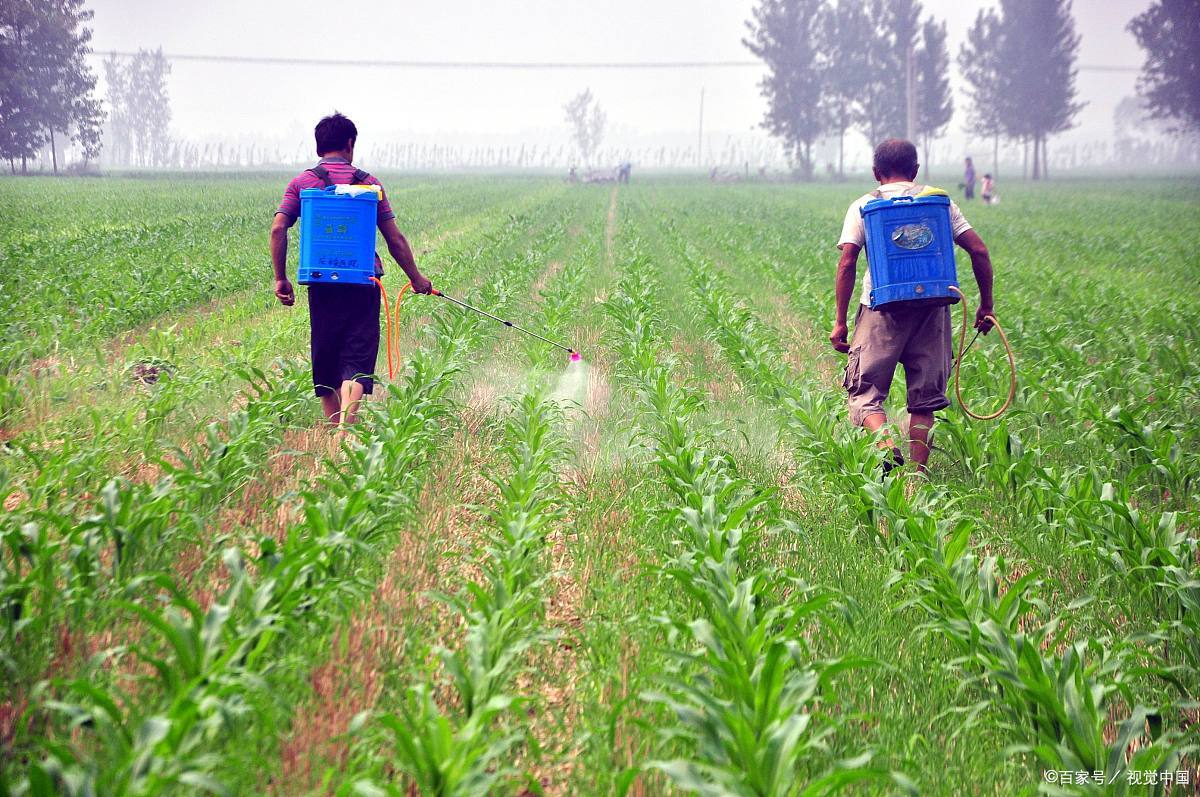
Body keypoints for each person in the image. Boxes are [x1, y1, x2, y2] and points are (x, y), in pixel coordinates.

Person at [829, 139, 996, 474]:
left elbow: (847, 262)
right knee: (924, 401)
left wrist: (840, 321)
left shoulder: (864, 205)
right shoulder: (939, 204)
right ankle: (919, 475)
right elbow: (979, 251)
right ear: (916, 170)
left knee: (865, 392)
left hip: (880, 309)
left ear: (875, 172)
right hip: (932, 309)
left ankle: (885, 444)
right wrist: (986, 306)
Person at [270, 112, 433, 426]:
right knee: (356, 357)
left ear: (319, 147)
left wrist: (281, 278)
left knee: (326, 357)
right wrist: (416, 278)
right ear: (349, 144)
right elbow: (395, 239)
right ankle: (345, 430)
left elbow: (278, 229)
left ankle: (337, 431)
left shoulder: (302, 183)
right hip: (363, 282)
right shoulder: (369, 184)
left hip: (321, 282)